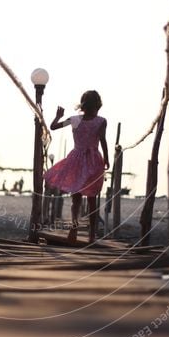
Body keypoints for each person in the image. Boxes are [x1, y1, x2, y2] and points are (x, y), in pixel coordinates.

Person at [44, 90, 109, 243]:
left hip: (76, 159)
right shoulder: (101, 121)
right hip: (93, 160)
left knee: (76, 198)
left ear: (83, 105)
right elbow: (103, 141)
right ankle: (91, 235)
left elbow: (53, 127)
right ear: (98, 105)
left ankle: (74, 229)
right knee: (92, 199)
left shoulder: (74, 120)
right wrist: (106, 158)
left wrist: (58, 116)